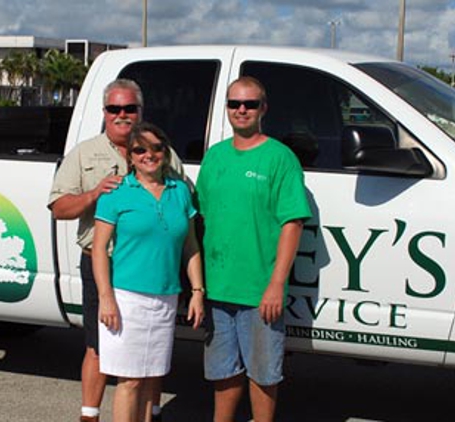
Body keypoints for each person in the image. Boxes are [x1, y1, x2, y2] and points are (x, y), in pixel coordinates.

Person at [48, 79, 184, 422]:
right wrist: (94, 193)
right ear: (104, 112)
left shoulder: (163, 151)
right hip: (103, 264)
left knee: (150, 351)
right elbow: (59, 207)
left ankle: (152, 412)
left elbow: (182, 199)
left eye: (129, 109)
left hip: (149, 266)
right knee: (99, 345)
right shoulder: (85, 153)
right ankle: (89, 415)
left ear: (141, 111)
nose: (122, 115)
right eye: (114, 109)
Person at [196, 76, 312, 422]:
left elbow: (293, 223)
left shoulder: (280, 158)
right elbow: (198, 218)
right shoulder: (215, 156)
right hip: (218, 287)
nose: (241, 110)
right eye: (234, 104)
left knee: (263, 375)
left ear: (264, 108)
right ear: (227, 108)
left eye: (249, 104)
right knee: (222, 371)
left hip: (259, 290)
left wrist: (276, 284)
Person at [92, 122, 204, 422]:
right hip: (127, 299)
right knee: (130, 381)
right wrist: (106, 297)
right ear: (130, 156)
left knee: (153, 376)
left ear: (165, 152)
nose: (149, 155)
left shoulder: (180, 191)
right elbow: (100, 249)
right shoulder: (116, 193)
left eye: (156, 148)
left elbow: (190, 246)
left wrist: (197, 292)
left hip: (166, 298)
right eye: (140, 149)